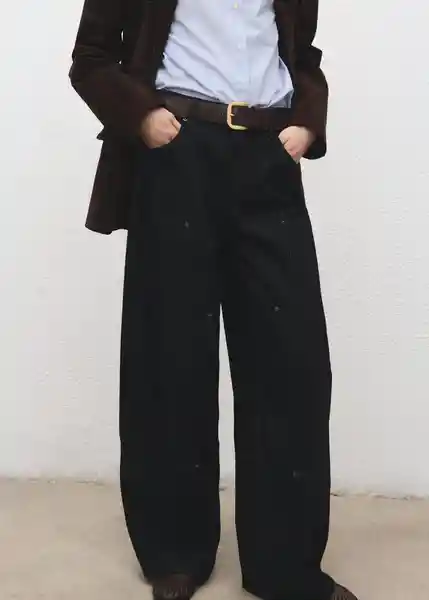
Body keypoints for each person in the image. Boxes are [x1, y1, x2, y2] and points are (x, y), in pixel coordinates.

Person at [70, 1, 358, 599]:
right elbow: (90, 59)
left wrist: (308, 121)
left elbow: (302, 53)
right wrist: (141, 116)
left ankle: (284, 566)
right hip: (178, 152)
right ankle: (175, 552)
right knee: (170, 355)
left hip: (268, 155)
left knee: (292, 364)